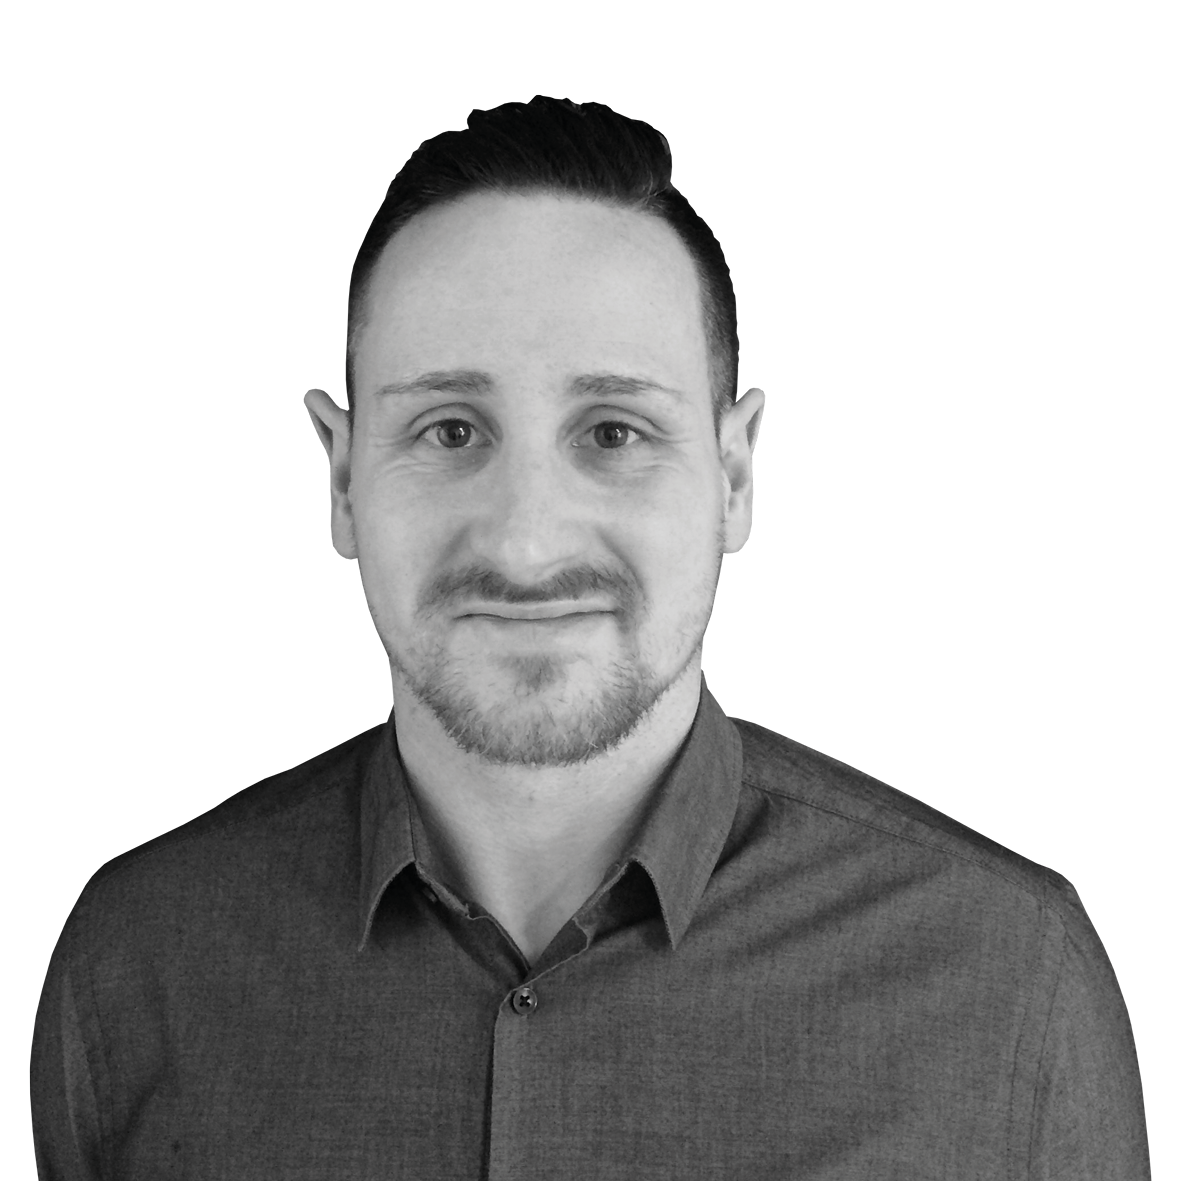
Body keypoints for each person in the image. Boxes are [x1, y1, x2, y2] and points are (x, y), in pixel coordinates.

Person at [31, 96, 1150, 1180]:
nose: (524, 541)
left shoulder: (1005, 983)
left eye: (612, 431)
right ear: (339, 475)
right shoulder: (138, 965)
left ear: (733, 471)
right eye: (449, 429)